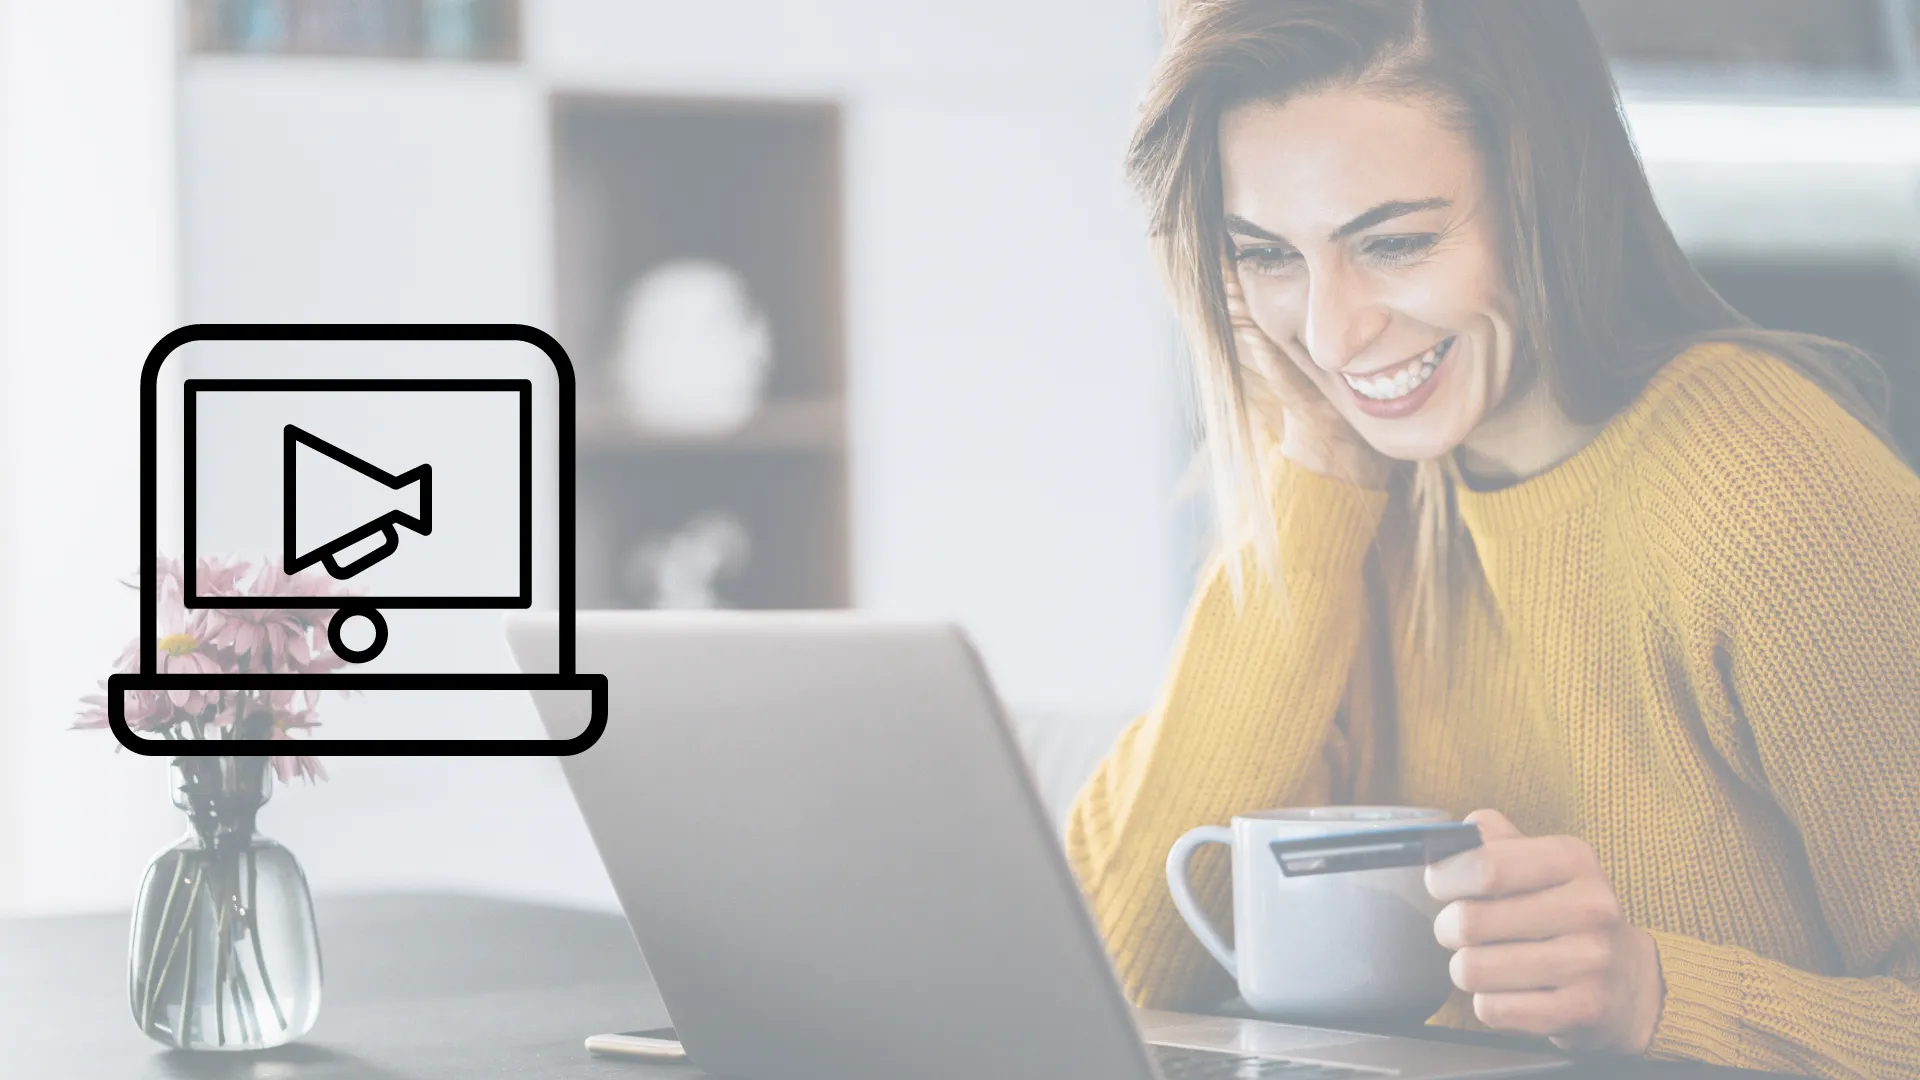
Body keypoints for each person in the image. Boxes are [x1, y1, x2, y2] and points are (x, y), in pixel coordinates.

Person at [1064, 2, 1920, 1076]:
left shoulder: (1767, 492)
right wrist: (1319, 461)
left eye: (1396, 242)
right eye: (1269, 256)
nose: (1330, 332)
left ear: (1545, 196)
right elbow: (1100, 971)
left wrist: (1658, 993)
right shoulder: (1358, 490)